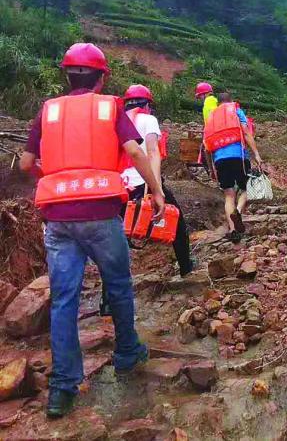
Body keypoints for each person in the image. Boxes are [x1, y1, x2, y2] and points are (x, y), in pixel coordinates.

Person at [19, 43, 165, 418]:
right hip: (101, 212)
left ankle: (62, 389)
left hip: (58, 217)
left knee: (65, 299)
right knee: (117, 285)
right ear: (102, 77)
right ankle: (127, 353)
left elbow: (26, 163)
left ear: (67, 75)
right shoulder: (111, 106)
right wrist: (156, 190)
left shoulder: (47, 110)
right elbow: (134, 152)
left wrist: (55, 178)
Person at [120, 85, 194, 274]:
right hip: (142, 181)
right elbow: (152, 151)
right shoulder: (148, 119)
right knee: (177, 223)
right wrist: (156, 188)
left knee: (117, 236)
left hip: (119, 185)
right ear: (147, 105)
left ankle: (111, 291)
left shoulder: (117, 120)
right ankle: (186, 267)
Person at [203, 92, 263, 242]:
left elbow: (206, 148)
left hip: (219, 160)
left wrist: (211, 169)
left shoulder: (211, 117)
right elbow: (246, 133)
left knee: (229, 195)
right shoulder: (236, 110)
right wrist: (256, 154)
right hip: (239, 156)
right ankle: (238, 211)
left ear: (218, 104)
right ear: (230, 101)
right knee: (246, 189)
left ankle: (233, 230)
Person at [195, 82, 217, 174]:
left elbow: (211, 119)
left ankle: (212, 172)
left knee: (205, 152)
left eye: (200, 96)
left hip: (214, 133)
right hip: (218, 130)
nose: (200, 98)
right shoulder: (215, 100)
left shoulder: (209, 102)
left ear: (204, 94)